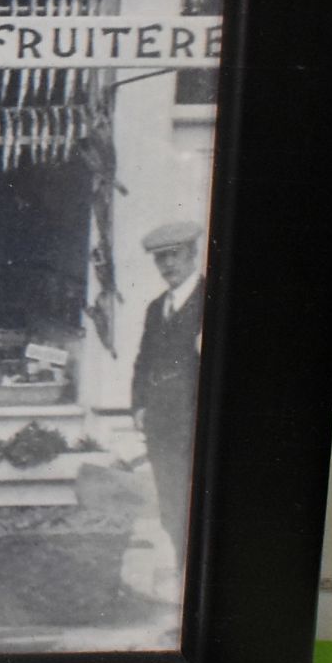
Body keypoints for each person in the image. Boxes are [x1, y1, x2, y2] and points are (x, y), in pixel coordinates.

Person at [132, 220, 204, 561]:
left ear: (193, 254)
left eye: (174, 256)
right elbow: (143, 362)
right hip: (160, 424)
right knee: (170, 503)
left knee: (195, 503)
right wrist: (139, 406)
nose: (168, 266)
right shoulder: (156, 307)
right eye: (161, 259)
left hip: (193, 422)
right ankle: (181, 570)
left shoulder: (209, 301)